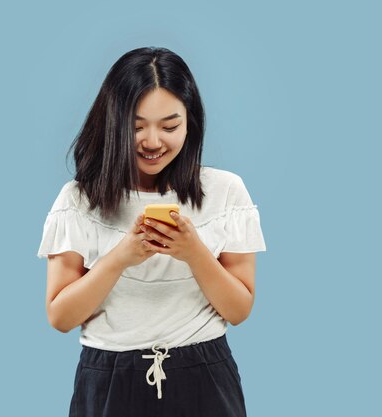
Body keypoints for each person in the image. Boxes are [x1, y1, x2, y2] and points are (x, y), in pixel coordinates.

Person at [36, 46, 266, 417]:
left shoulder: (226, 191)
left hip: (204, 374)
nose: (153, 141)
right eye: (137, 126)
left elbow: (238, 310)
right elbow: (60, 317)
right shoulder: (79, 199)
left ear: (191, 122)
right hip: (109, 376)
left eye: (170, 126)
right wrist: (122, 257)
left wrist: (193, 253)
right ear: (112, 121)